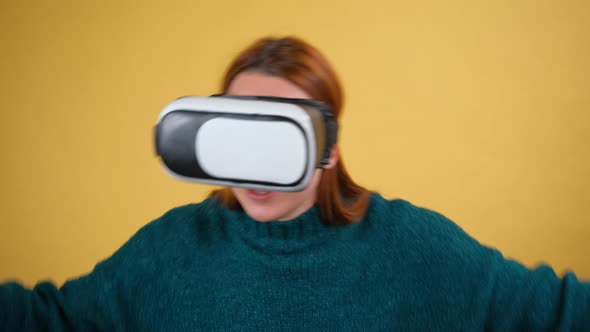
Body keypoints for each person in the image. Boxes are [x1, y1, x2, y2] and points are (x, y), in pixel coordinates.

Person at [1, 36, 589, 331]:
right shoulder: (171, 248)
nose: (253, 168)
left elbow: (557, 310)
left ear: (329, 148)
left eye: (278, 136)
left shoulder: (412, 247)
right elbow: (50, 319)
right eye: (238, 132)